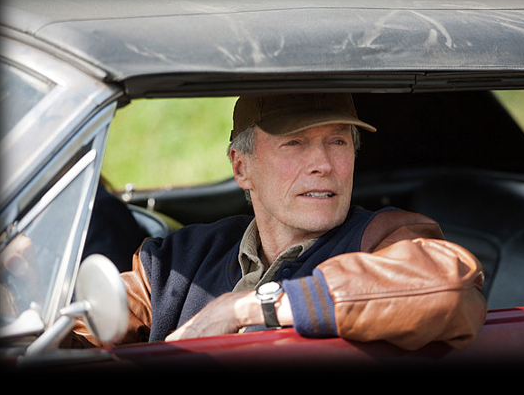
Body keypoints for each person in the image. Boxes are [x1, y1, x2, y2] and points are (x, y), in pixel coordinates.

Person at [68, 93, 486, 352]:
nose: (323, 164)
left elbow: (448, 288)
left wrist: (248, 308)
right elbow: (80, 333)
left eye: (338, 141)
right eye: (295, 144)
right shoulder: (177, 260)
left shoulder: (385, 237)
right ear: (241, 167)